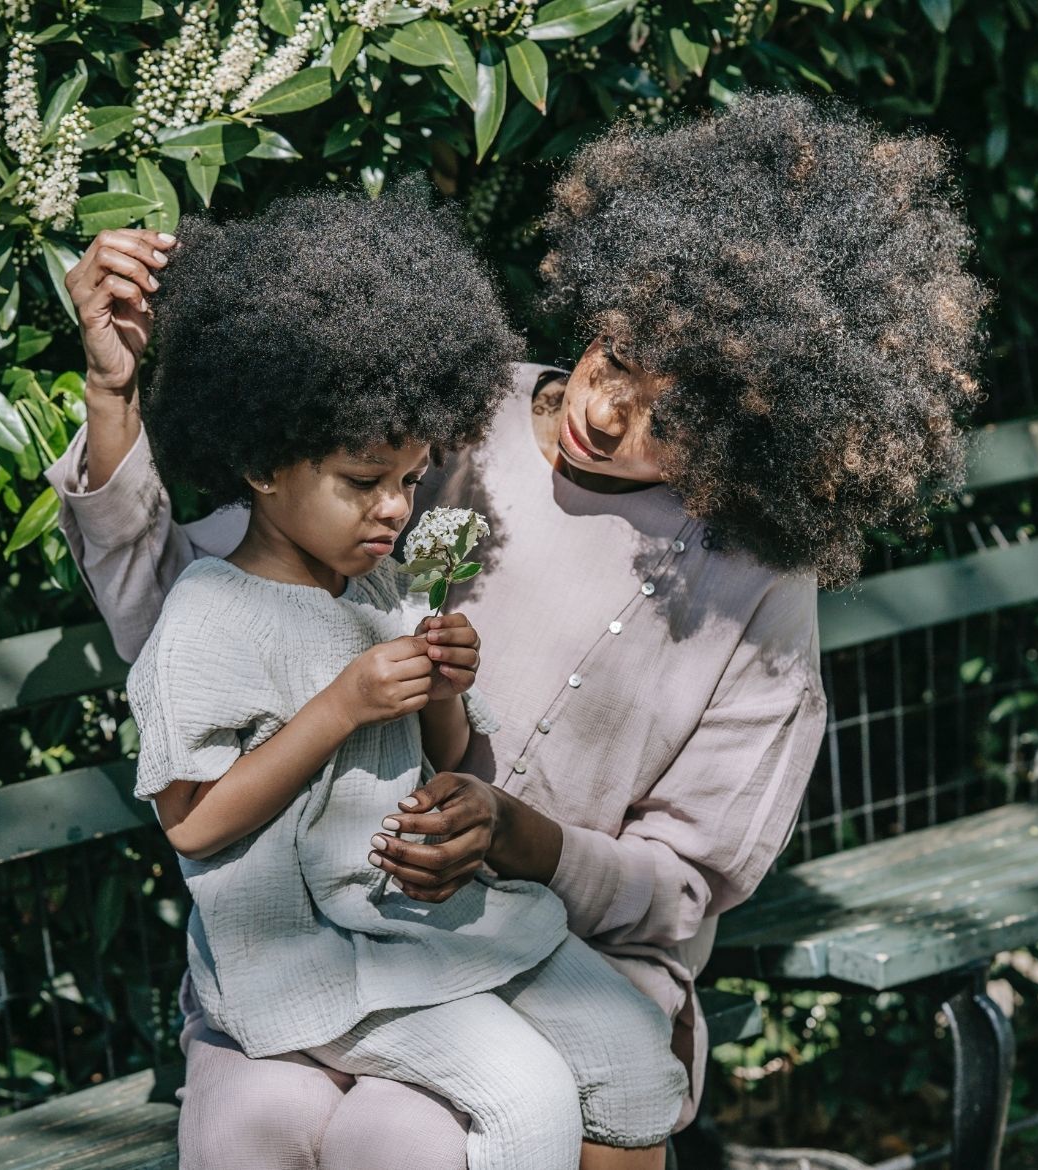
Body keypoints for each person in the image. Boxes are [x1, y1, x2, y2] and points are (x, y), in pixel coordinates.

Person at [48, 93, 989, 1170]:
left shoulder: (756, 583)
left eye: (672, 421)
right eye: (624, 350)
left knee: (417, 1133)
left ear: (758, 434)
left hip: (574, 961)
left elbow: (685, 884)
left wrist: (520, 839)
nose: (608, 408)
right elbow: (194, 613)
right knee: (281, 1126)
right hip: (331, 945)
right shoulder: (433, 413)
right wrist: (113, 397)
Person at [125, 184, 689, 1170]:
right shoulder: (211, 615)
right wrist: (339, 706)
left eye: (411, 479)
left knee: (639, 1062)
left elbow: (447, 756)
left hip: (413, 925)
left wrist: (443, 689)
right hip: (298, 961)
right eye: (363, 481)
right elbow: (192, 822)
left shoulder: (379, 582)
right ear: (263, 461)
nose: (393, 508)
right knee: (525, 1096)